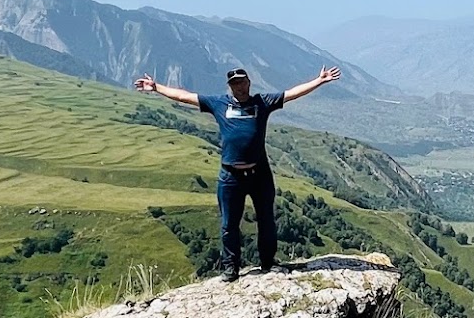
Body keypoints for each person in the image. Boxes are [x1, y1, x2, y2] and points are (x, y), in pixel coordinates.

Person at [135, 65, 342, 277]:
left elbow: (291, 94)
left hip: (259, 174)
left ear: (249, 83)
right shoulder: (218, 104)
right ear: (230, 87)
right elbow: (184, 96)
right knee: (228, 224)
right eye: (235, 83)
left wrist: (319, 81)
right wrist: (156, 87)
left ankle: (268, 263)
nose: (239, 87)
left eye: (242, 82)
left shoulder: (262, 102)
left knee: (267, 220)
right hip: (230, 176)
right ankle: (230, 268)